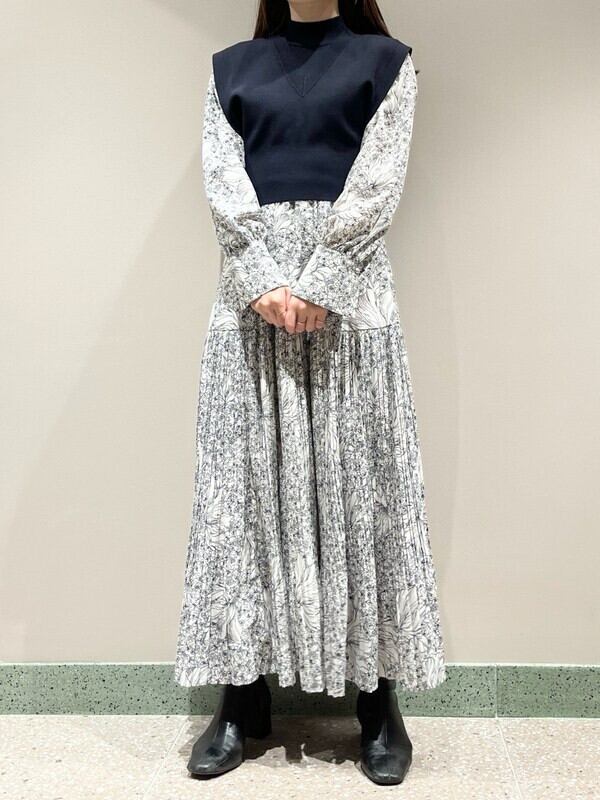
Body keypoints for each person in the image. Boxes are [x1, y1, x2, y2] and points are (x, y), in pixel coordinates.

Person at [174, 0, 447, 786]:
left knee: (363, 493)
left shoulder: (387, 63)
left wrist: (325, 279)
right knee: (245, 497)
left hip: (351, 305)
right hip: (250, 307)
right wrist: (259, 277)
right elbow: (223, 181)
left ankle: (377, 702)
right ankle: (241, 698)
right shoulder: (229, 69)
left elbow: (378, 181)